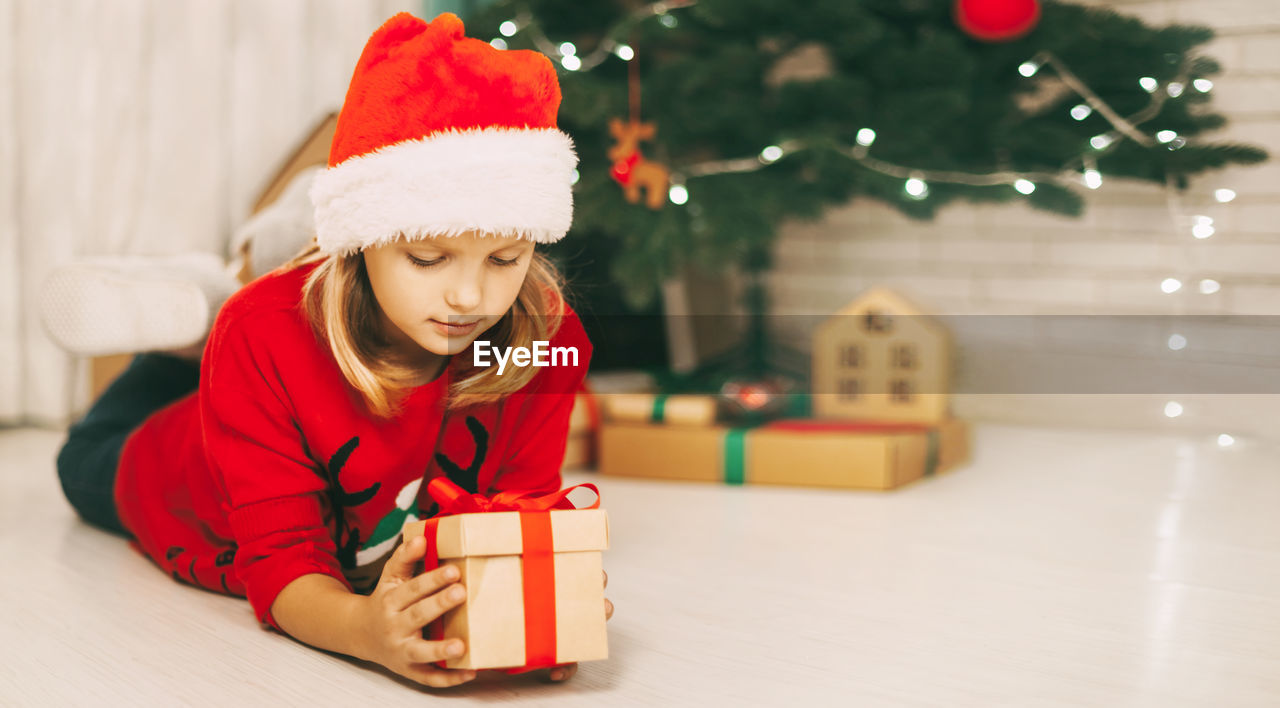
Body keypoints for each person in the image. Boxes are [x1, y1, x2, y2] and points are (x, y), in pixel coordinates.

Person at [43, 12, 612, 689]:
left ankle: (228, 295)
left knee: (258, 334)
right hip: (164, 469)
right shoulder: (264, 334)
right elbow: (285, 563)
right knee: (81, 459)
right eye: (429, 257)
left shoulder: (545, 341)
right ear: (364, 240)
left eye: (505, 257)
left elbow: (522, 515)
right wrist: (365, 632)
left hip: (268, 366)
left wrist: (544, 602)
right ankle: (200, 323)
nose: (470, 297)